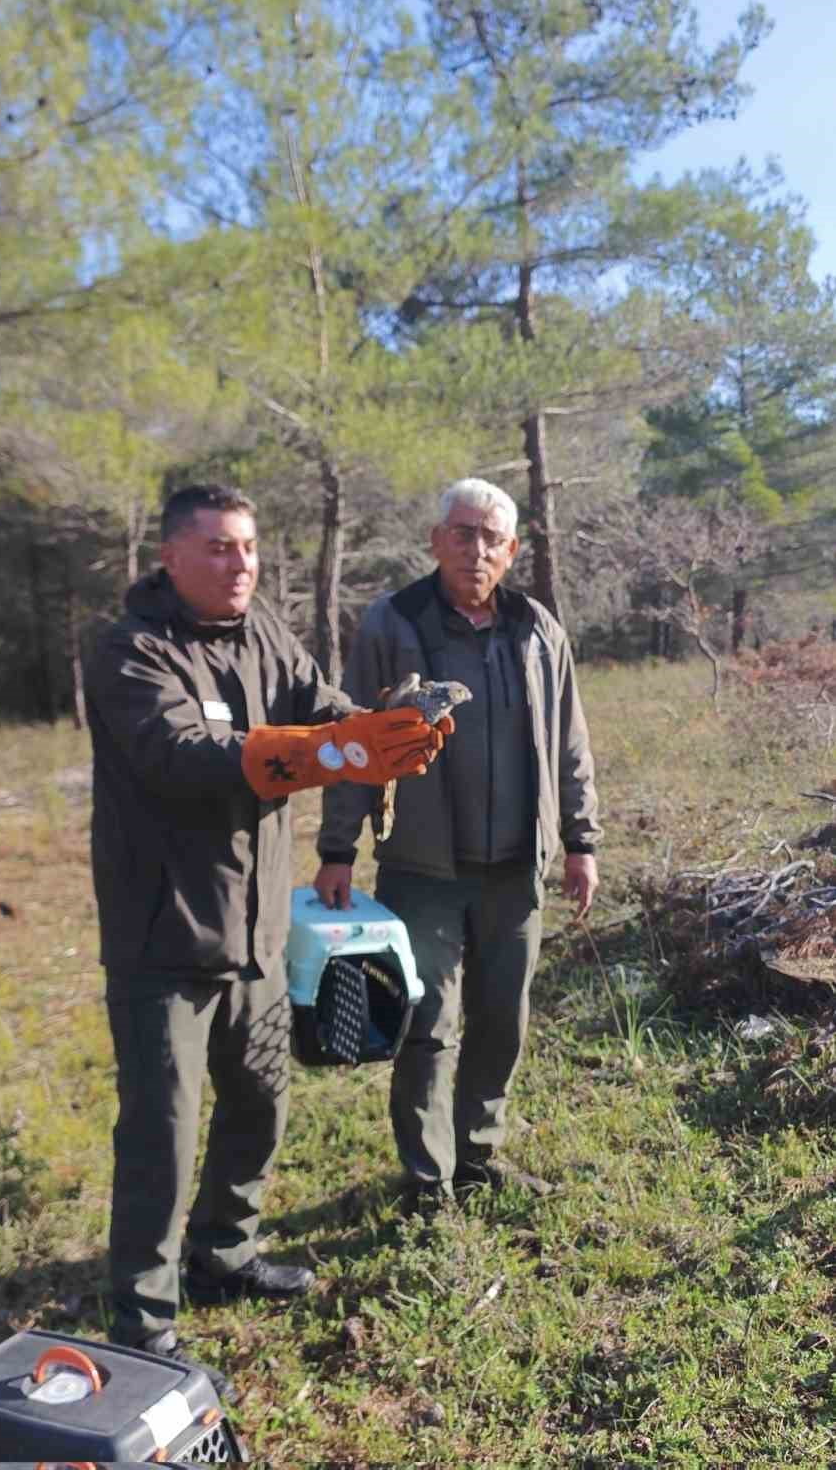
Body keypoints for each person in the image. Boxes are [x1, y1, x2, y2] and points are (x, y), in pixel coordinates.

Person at [85, 482, 450, 1364]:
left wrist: (372, 726)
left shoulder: (263, 635)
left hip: (256, 929)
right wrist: (326, 752)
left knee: (257, 1103)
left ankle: (224, 1253)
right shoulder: (130, 651)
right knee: (161, 1133)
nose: (238, 562)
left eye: (246, 546)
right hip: (164, 935)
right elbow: (180, 759)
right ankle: (144, 1322)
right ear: (170, 556)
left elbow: (319, 704)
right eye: (217, 547)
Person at [314, 477, 600, 1211]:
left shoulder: (537, 629)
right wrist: (338, 848)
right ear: (437, 540)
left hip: (515, 869)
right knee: (426, 1025)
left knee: (501, 1019)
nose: (476, 550)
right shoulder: (393, 622)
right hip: (422, 866)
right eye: (463, 533)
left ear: (511, 551)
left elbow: (569, 740)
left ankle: (478, 1155)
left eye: (492, 538)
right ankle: (427, 1179)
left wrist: (580, 839)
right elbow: (352, 743)